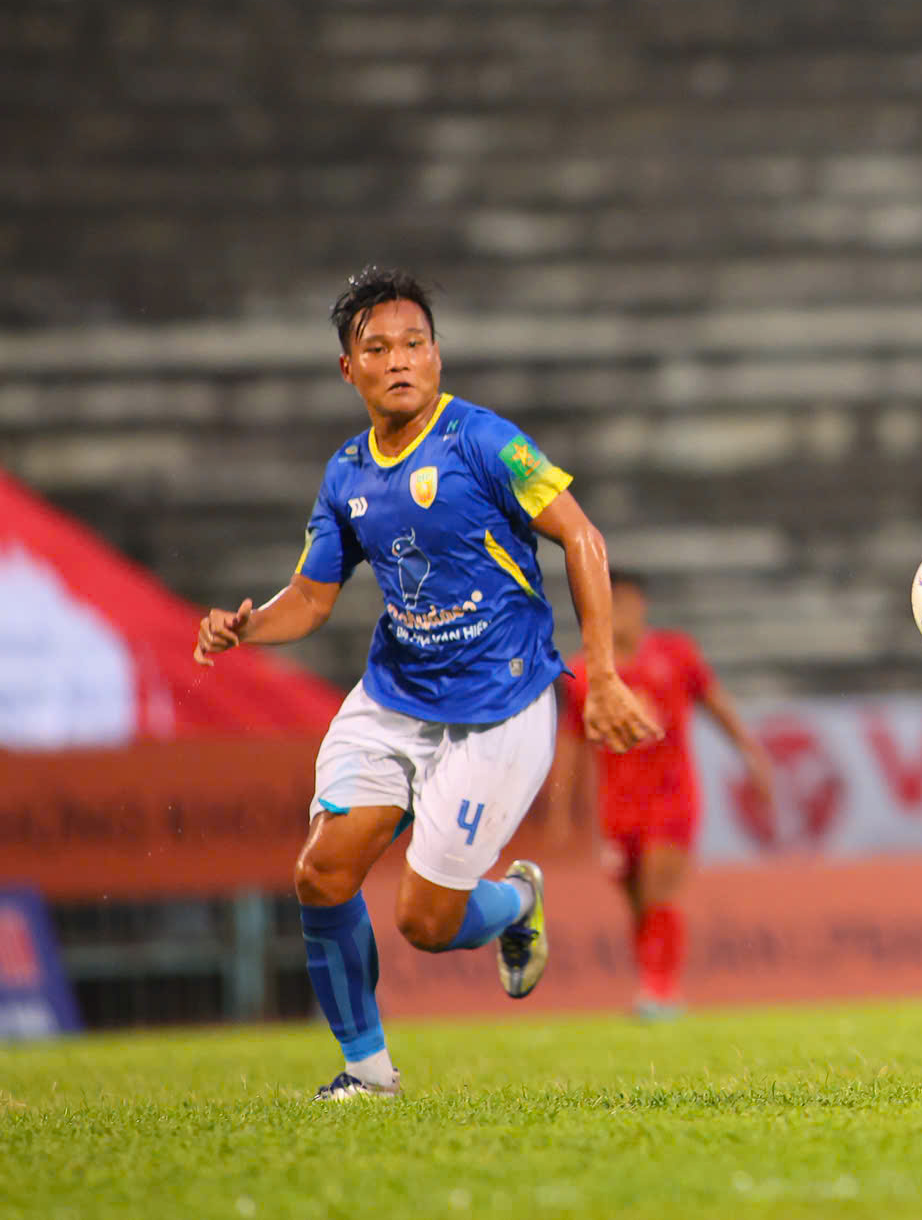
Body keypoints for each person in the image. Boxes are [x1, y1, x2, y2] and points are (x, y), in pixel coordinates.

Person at [193, 267, 657, 1098]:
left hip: (500, 708)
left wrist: (605, 675)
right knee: (320, 873)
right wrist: (245, 627)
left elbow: (582, 538)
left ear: (437, 354)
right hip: (394, 698)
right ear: (349, 370)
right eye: (378, 349)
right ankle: (367, 1074)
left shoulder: (487, 442)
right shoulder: (346, 475)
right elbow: (310, 598)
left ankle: (514, 903)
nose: (399, 360)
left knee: (425, 923)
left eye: (414, 344)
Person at [550, 573, 776, 1019]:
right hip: (618, 805)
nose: (619, 614)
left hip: (672, 797)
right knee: (637, 901)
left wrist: (752, 755)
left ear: (642, 606)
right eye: (609, 604)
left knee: (658, 891)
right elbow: (571, 744)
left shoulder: (676, 654)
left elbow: (717, 706)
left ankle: (661, 990)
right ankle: (653, 985)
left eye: (626, 603)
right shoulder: (584, 673)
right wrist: (560, 807)